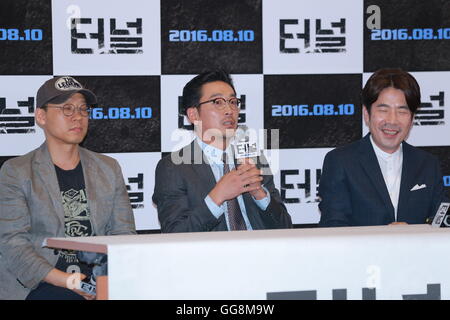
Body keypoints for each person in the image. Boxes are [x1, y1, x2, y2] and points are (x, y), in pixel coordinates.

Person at [0, 76, 136, 300]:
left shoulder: (108, 168)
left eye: (83, 109)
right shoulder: (17, 171)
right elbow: (12, 242)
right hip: (43, 283)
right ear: (41, 116)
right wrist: (67, 280)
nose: (78, 117)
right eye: (67, 109)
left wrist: (104, 280)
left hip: (98, 278)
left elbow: (123, 235)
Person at [153, 70, 292, 232]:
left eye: (233, 102)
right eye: (218, 102)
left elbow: (285, 227)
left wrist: (260, 194)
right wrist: (217, 197)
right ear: (193, 114)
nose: (229, 110)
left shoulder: (254, 158)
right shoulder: (174, 167)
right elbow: (175, 234)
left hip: (260, 252)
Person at [318, 68, 446, 227]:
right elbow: (333, 227)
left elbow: (441, 224)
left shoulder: (427, 164)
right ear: (366, 114)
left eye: (402, 110)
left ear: (412, 118)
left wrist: (415, 235)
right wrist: (383, 238)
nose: (392, 120)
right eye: (383, 110)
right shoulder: (341, 162)